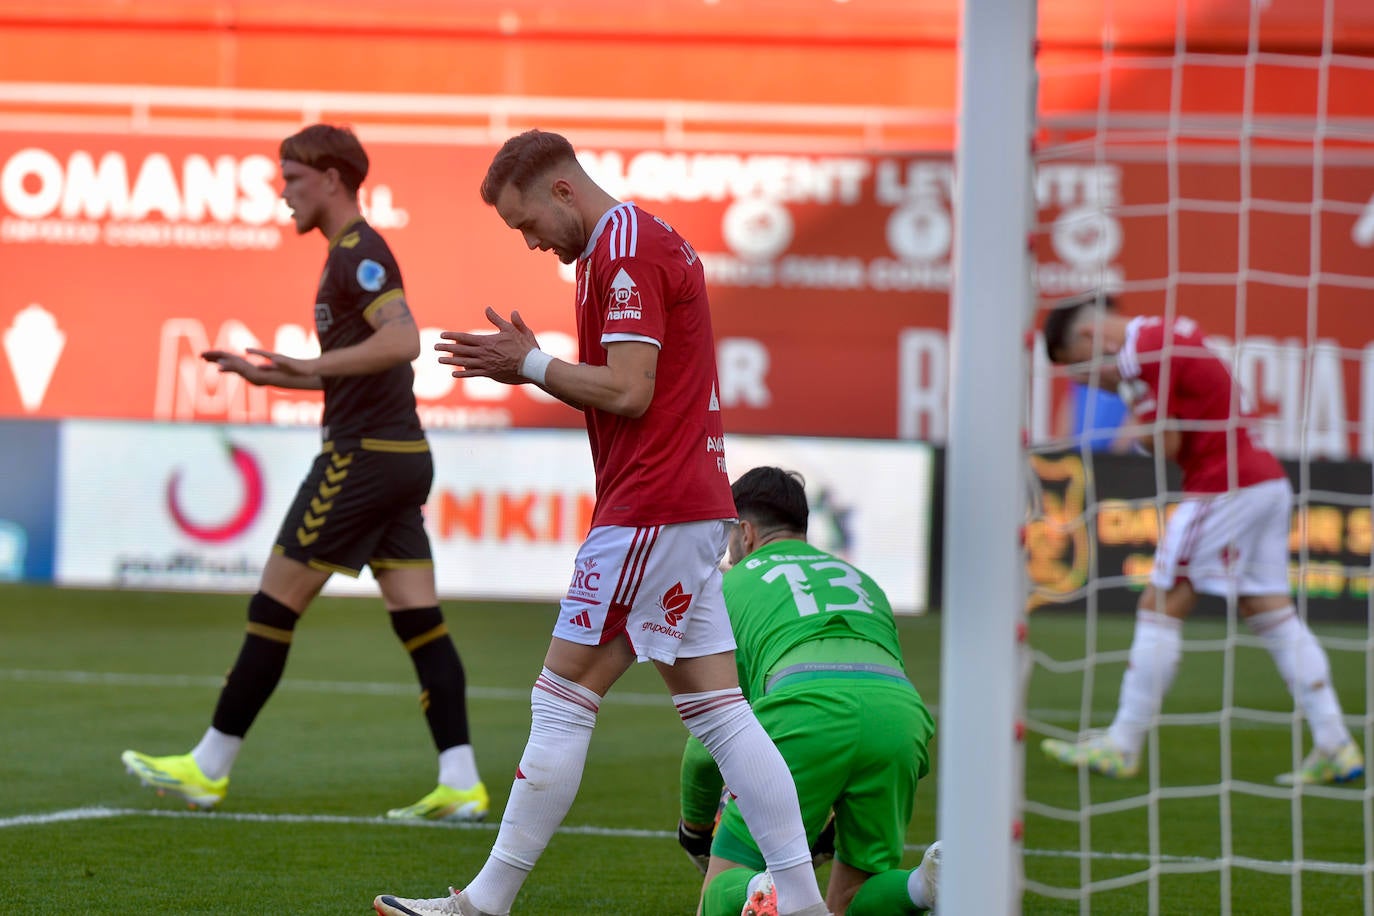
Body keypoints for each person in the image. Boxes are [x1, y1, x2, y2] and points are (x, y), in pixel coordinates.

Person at [373, 129, 829, 916]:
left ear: (561, 190)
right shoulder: (630, 243)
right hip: (682, 507)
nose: (530, 243)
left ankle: (482, 904)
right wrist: (536, 360)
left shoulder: (624, 247)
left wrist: (529, 364)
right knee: (721, 715)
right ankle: (803, 902)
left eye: (527, 224)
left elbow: (629, 390)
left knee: (562, 697)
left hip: (652, 508)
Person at [121, 124, 488, 822]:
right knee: (422, 625)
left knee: (272, 606)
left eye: (290, 178)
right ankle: (461, 779)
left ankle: (207, 766)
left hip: (363, 459)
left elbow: (404, 339)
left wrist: (310, 367)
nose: (282, 192)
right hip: (400, 458)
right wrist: (273, 376)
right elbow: (363, 366)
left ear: (330, 178)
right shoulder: (347, 256)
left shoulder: (360, 254)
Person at [1038, 293, 1363, 786]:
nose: (1086, 378)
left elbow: (1164, 444)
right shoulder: (1162, 332)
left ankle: (1122, 745)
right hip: (1264, 480)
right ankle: (1336, 743)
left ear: (1088, 338)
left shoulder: (1135, 353)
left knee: (1160, 600)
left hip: (1224, 485)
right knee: (1269, 610)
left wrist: (1124, 397)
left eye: (1079, 367)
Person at [676, 466, 940, 916]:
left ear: (745, 532)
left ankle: (760, 891)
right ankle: (924, 887)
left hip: (805, 713)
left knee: (718, 895)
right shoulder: (861, 581)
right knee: (852, 899)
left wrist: (695, 829)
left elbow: (709, 740)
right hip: (900, 718)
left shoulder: (729, 586)